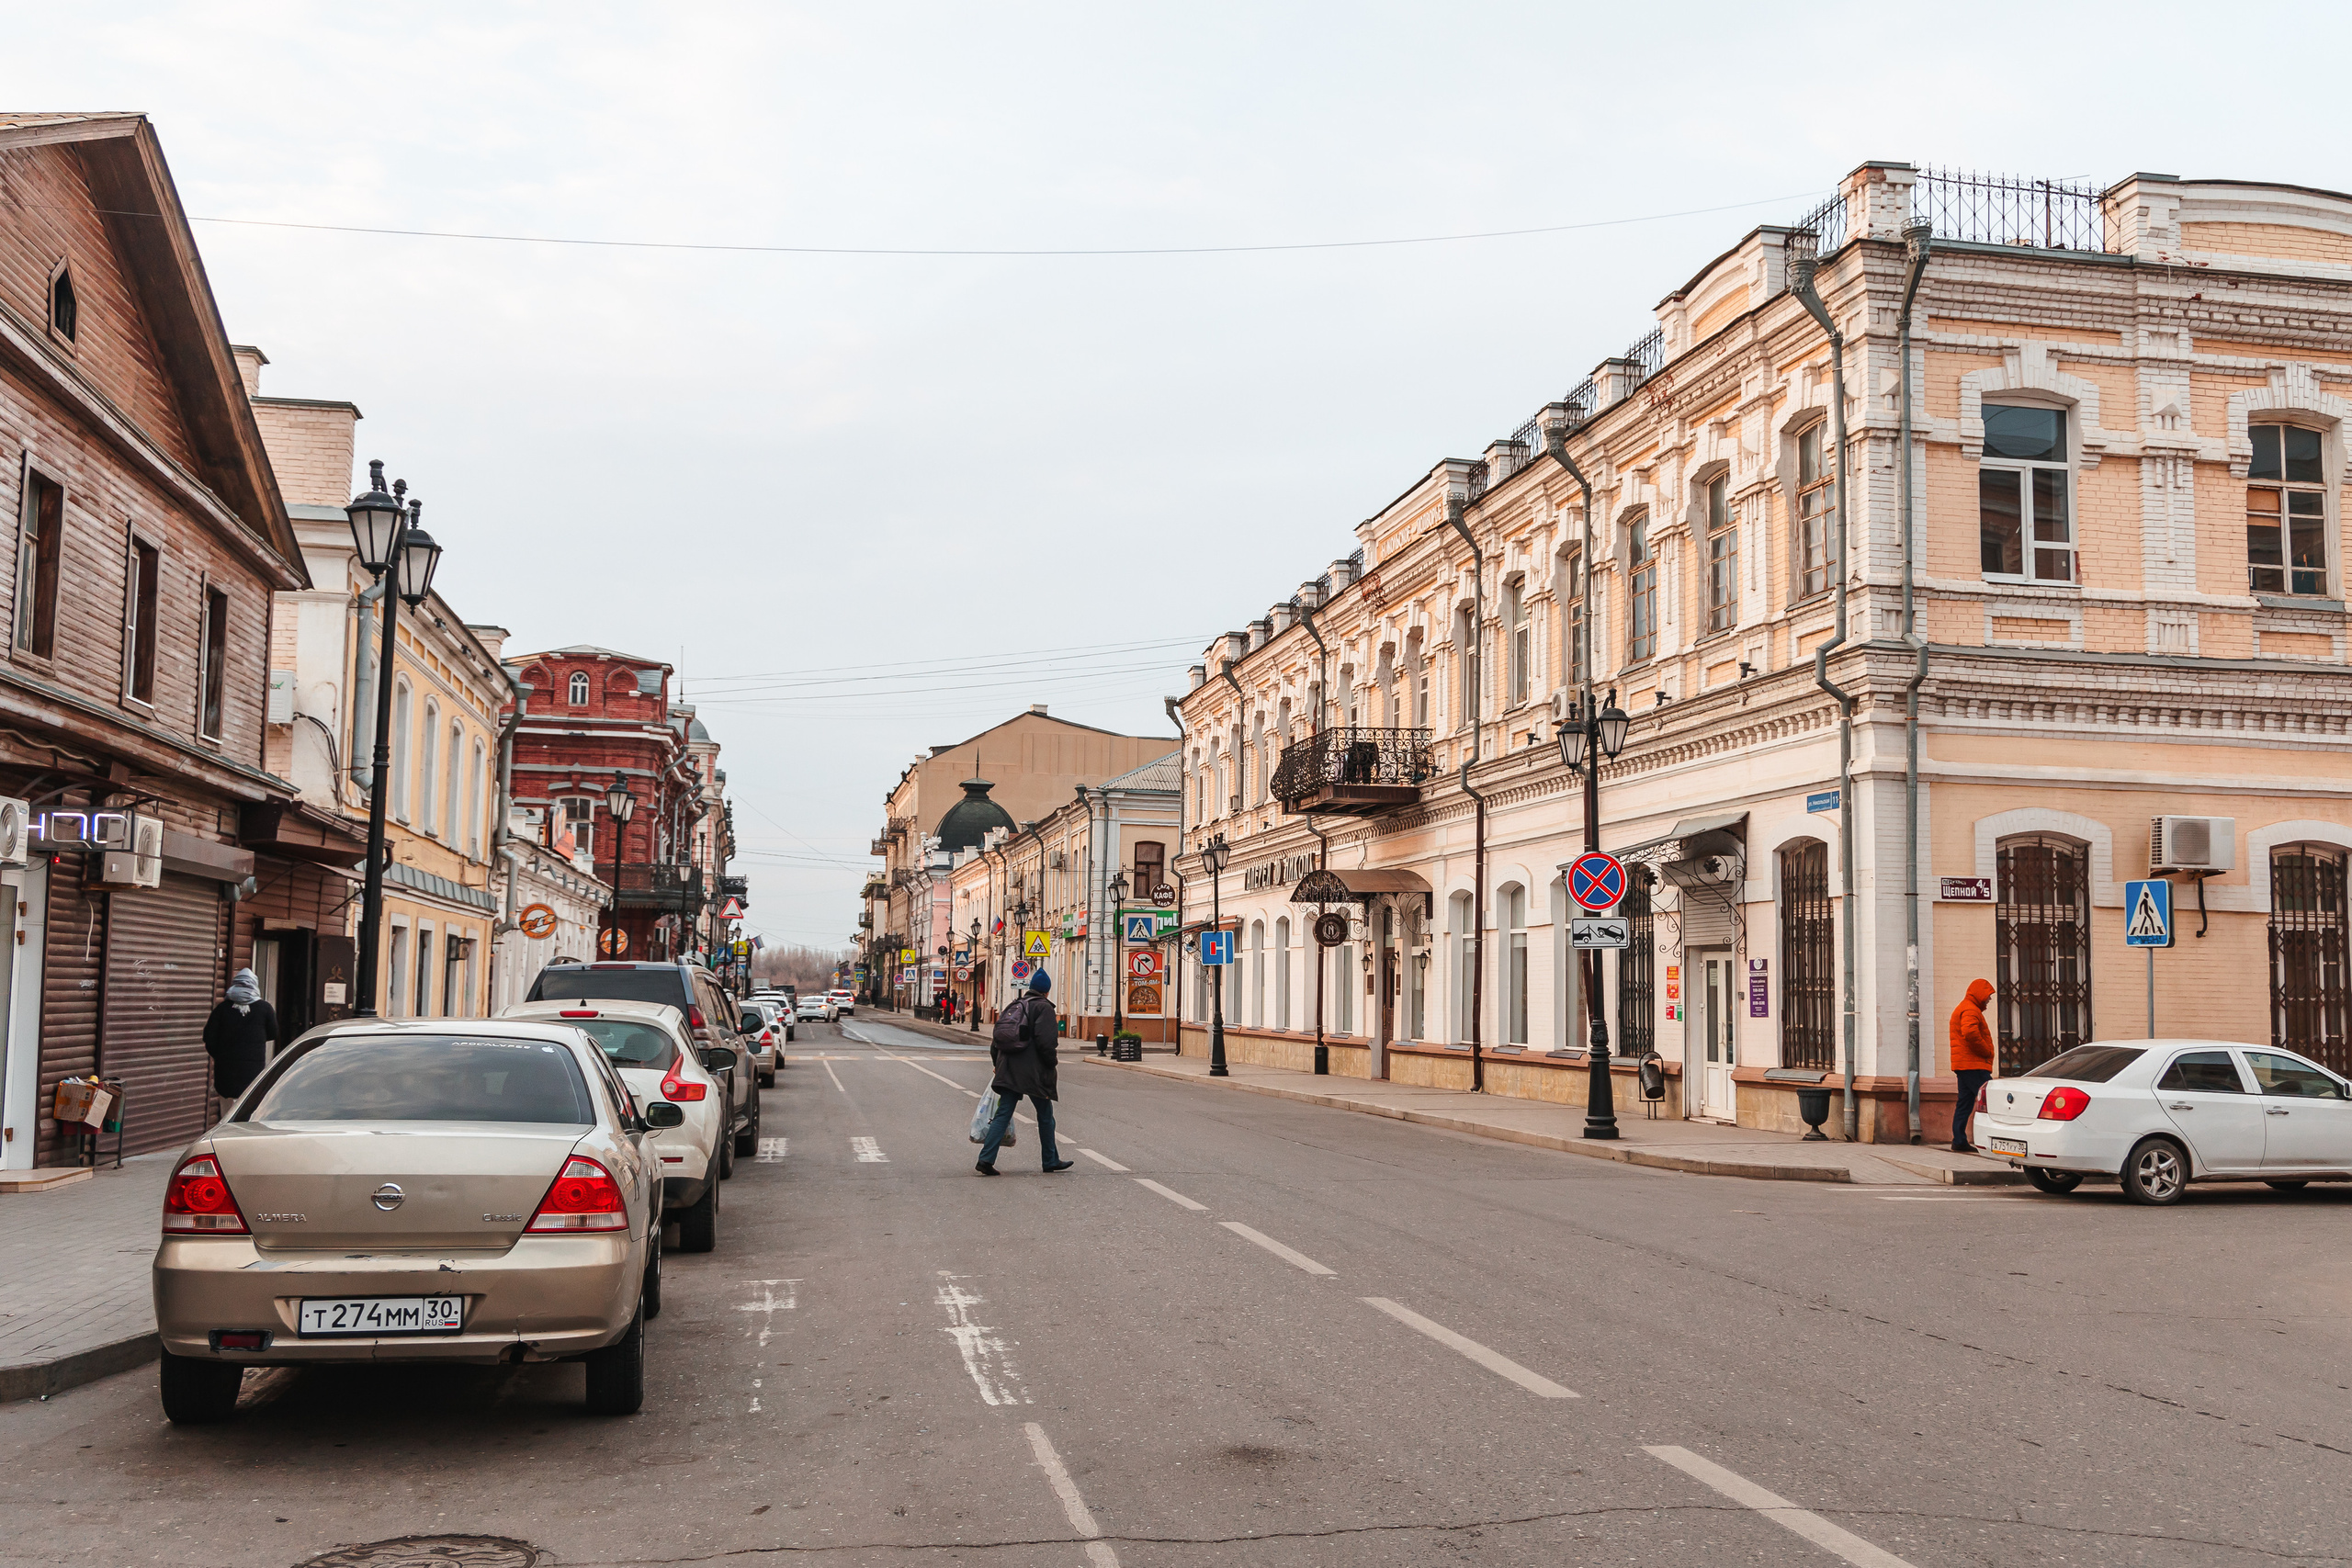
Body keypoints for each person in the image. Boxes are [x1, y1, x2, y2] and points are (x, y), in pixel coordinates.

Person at [978, 969, 1071, 1175]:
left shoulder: (1014, 1006)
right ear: (1046, 991)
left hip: (1008, 1069)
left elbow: (996, 1042)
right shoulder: (1043, 1008)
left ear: (1031, 989)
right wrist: (1051, 1064)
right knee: (1045, 1115)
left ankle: (986, 1159)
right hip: (1033, 1072)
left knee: (1003, 1113)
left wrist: (997, 1064)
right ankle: (1050, 1160)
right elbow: (1047, 1042)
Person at [204, 967, 278, 1101]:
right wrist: (256, 1041)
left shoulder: (222, 1009)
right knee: (249, 1105)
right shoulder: (265, 1008)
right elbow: (274, 1033)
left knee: (226, 1113)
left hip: (226, 1073)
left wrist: (221, 1055)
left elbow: (209, 1038)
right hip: (253, 1071)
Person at [1949, 976, 1996, 1153]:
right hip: (1973, 1065)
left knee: (1965, 1103)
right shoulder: (1970, 1009)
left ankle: (1959, 1141)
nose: (1988, 1000)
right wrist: (1986, 1051)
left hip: (1964, 1064)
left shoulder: (1966, 1007)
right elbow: (1970, 1032)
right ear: (1979, 994)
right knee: (1991, 1099)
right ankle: (1996, 1139)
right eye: (1987, 996)